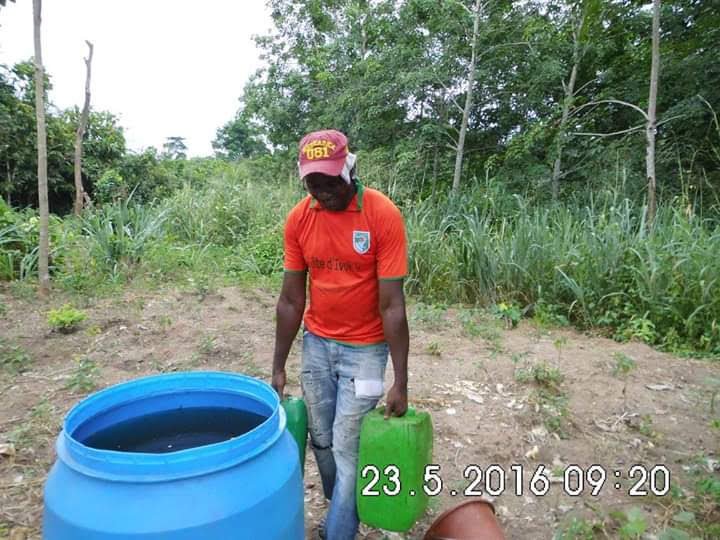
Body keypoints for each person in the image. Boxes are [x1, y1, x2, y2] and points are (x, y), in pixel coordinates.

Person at [271, 129, 410, 540]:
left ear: (349, 167)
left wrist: (401, 381)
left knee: (348, 447)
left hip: (366, 350)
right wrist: (278, 366)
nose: (323, 190)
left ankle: (338, 531)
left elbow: (393, 305)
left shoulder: (382, 214)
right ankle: (342, 506)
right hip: (317, 344)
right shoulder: (300, 219)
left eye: (330, 179)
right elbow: (291, 300)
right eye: (313, 182)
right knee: (321, 439)